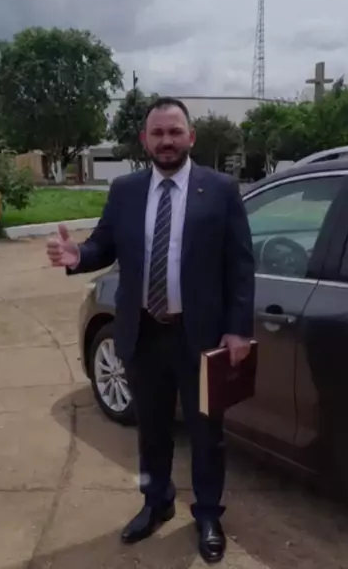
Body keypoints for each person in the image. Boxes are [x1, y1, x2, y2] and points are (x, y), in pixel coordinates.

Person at [46, 97, 255, 564]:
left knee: (206, 433)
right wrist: (79, 255)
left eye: (174, 132)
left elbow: (240, 266)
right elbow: (103, 244)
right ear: (144, 140)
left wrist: (238, 329)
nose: (166, 141)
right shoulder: (126, 190)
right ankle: (156, 502)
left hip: (201, 338)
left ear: (191, 137)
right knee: (152, 431)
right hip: (143, 333)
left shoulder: (220, 190)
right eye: (157, 133)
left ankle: (207, 514)